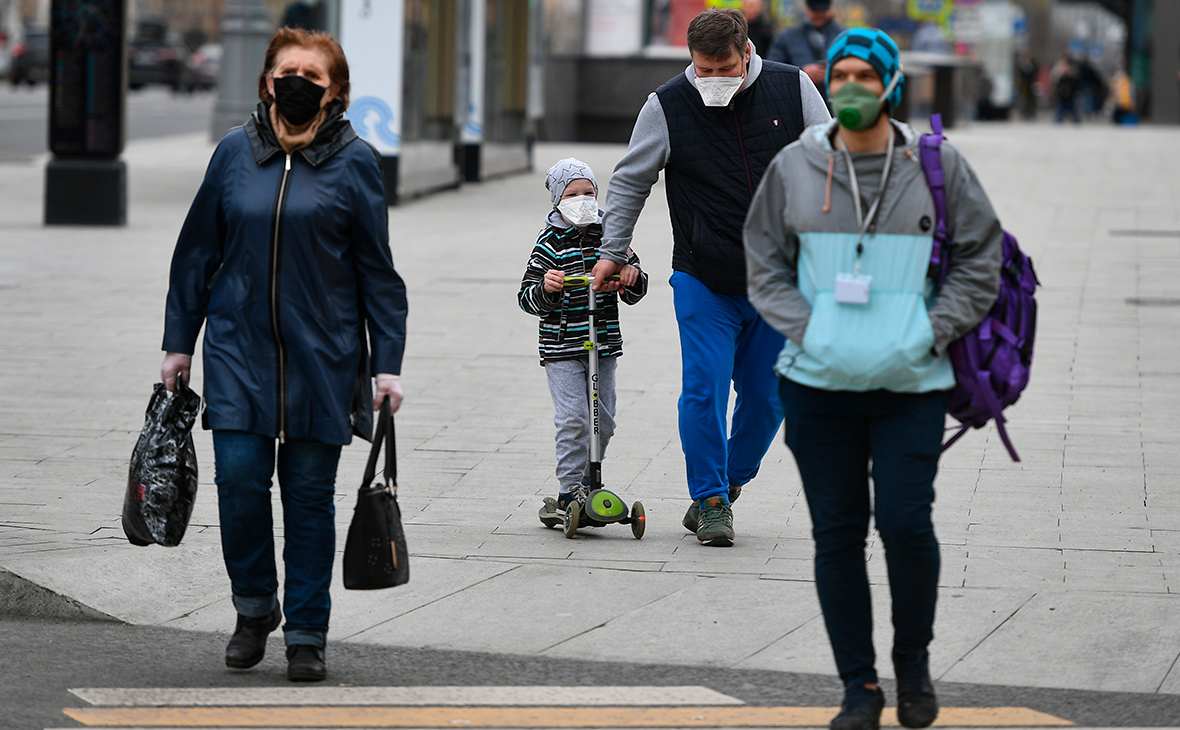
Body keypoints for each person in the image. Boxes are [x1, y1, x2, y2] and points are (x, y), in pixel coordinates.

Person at [744, 28, 1003, 730]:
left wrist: (930, 330)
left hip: (909, 384)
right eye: (839, 75)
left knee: (905, 523)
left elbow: (984, 257)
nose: (849, 87)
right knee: (838, 533)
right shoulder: (795, 165)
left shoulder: (936, 165)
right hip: (817, 386)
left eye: (864, 75)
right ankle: (859, 687)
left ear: (891, 84)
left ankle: (912, 661)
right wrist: (810, 328)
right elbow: (763, 260)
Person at [159, 27, 408, 683]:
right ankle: (253, 608)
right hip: (239, 349)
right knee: (238, 484)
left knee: (307, 499)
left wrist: (387, 364)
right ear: (269, 80)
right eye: (287, 70)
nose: (298, 81)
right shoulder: (234, 154)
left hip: (323, 358)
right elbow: (196, 255)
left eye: (314, 75)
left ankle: (305, 632)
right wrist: (177, 344)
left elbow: (378, 274)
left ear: (334, 93)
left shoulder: (355, 163)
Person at [590, 7, 830, 547]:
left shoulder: (792, 90)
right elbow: (631, 180)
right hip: (703, 275)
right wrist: (613, 250)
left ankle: (729, 482)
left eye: (725, 68)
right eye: (704, 69)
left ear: (747, 53)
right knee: (704, 389)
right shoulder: (668, 103)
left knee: (769, 399)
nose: (714, 80)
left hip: (780, 279)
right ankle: (712, 499)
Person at [520, 159, 648, 520]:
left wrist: (631, 276)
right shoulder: (549, 242)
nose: (582, 200)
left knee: (602, 422)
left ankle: (589, 481)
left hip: (602, 343)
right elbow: (526, 297)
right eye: (572, 194)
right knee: (575, 418)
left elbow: (635, 286)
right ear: (558, 200)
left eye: (588, 193)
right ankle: (567, 493)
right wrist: (547, 289)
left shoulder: (611, 235)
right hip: (562, 348)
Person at [767, 0, 845, 99]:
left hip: (836, 102)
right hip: (798, 100)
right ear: (806, 7)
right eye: (815, 11)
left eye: (823, 11)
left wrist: (833, 74)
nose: (819, 15)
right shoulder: (787, 37)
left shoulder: (845, 37)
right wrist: (801, 73)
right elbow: (772, 71)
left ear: (831, 7)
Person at [1052, 55, 1081, 124]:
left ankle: (1077, 123)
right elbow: (1056, 86)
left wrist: (1071, 91)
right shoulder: (1060, 78)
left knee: (1074, 113)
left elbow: (1076, 86)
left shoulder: (1073, 77)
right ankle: (1057, 124)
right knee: (1060, 113)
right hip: (1062, 98)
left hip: (1071, 97)